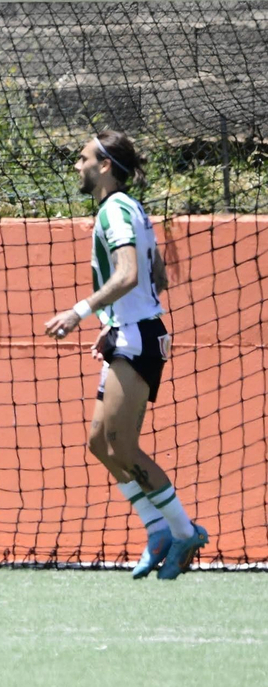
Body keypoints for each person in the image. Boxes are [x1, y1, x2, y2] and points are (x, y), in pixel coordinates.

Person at [43, 131, 207, 580]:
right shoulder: (130, 208)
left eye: (83, 159)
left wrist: (81, 312)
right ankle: (158, 529)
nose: (77, 166)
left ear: (105, 165)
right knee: (99, 443)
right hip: (130, 333)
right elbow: (158, 276)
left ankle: (182, 529)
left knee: (123, 447)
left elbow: (132, 274)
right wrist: (114, 323)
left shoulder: (114, 209)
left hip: (137, 338)